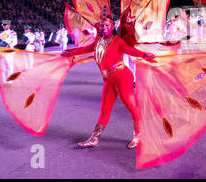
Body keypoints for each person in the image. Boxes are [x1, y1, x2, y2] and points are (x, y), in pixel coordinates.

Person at [62, 16, 156, 149]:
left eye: (107, 25)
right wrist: (69, 52)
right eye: (102, 25)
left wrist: (144, 54)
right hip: (108, 80)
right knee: (105, 110)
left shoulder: (117, 40)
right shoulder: (98, 42)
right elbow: (83, 50)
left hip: (122, 76)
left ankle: (138, 135)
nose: (104, 28)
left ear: (112, 27)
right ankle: (94, 139)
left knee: (131, 105)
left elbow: (130, 50)